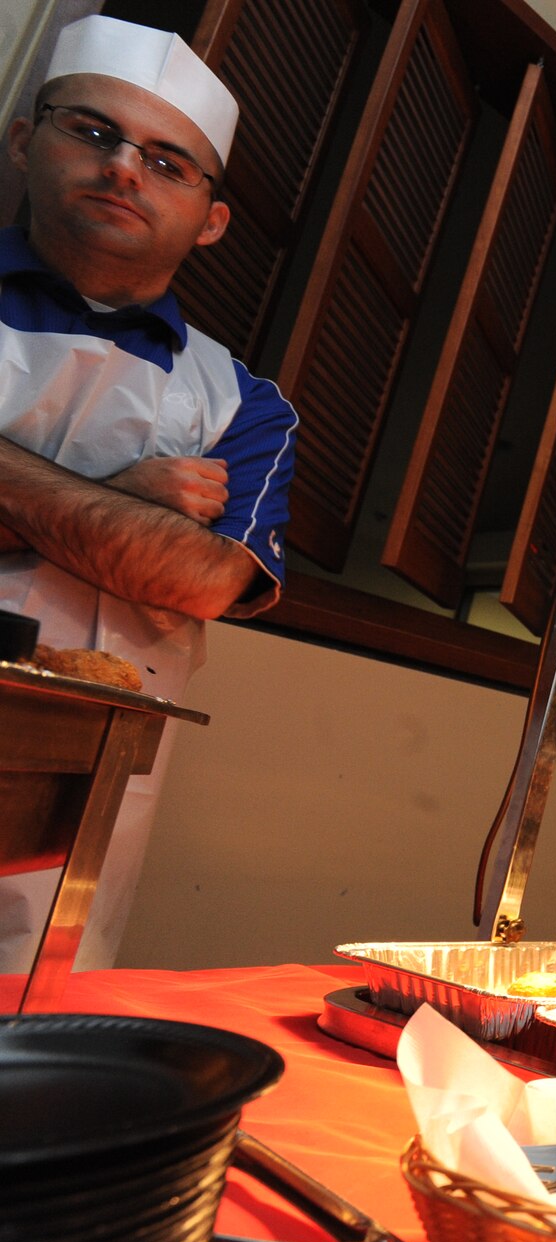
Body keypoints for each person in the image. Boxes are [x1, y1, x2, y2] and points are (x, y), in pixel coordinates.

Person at [0, 16, 296, 972]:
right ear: (23, 140)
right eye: (93, 132)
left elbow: (207, 582)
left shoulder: (244, 403)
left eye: (170, 162)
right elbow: (157, 554)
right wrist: (121, 493)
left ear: (211, 218)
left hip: (82, 817)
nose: (126, 168)